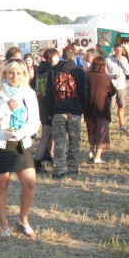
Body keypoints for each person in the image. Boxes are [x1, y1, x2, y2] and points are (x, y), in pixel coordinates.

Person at [0, 59, 39, 238]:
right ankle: (4, 225)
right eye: (11, 73)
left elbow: (35, 120)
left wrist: (22, 132)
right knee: (1, 185)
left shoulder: (28, 93)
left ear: (25, 75)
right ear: (5, 73)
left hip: (21, 142)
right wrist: (5, 107)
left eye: (19, 73)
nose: (14, 76)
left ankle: (23, 219)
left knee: (29, 183)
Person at [50, 47, 87, 179]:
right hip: (75, 109)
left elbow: (50, 91)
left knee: (59, 140)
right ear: (74, 56)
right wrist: (82, 109)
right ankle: (73, 167)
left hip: (58, 109)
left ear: (61, 56)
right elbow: (83, 92)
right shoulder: (79, 71)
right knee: (74, 139)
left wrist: (51, 109)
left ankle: (59, 168)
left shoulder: (54, 70)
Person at [83, 56, 115, 164]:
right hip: (102, 108)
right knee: (101, 132)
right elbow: (112, 91)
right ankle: (98, 156)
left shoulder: (87, 75)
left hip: (88, 107)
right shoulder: (105, 77)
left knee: (91, 130)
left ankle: (91, 152)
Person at [32, 47, 59, 172]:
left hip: (40, 103)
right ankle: (37, 160)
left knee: (48, 132)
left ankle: (50, 155)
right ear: (52, 57)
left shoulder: (38, 70)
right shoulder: (51, 70)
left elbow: (33, 85)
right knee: (47, 132)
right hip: (49, 104)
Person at [106, 45, 129, 132]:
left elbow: (128, 72)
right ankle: (106, 125)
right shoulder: (108, 60)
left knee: (122, 106)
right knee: (109, 107)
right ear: (114, 50)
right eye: (117, 50)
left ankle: (122, 124)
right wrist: (112, 76)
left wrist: (122, 62)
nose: (118, 52)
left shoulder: (124, 59)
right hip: (111, 85)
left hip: (121, 86)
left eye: (120, 50)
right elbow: (105, 74)